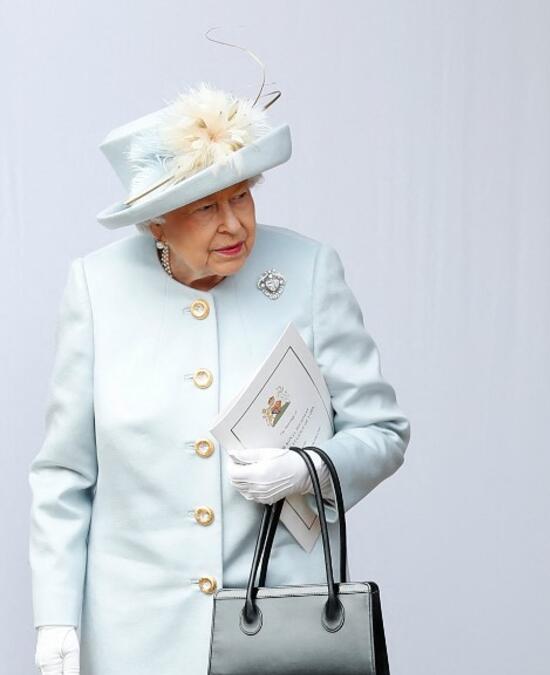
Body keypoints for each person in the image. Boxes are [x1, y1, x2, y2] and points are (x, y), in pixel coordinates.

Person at [29, 83, 410, 674]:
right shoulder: (96, 289)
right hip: (138, 635)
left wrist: (307, 469)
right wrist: (56, 616)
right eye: (206, 207)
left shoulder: (309, 272)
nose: (233, 224)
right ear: (155, 224)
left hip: (278, 625)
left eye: (241, 197)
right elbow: (65, 475)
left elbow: (383, 432)